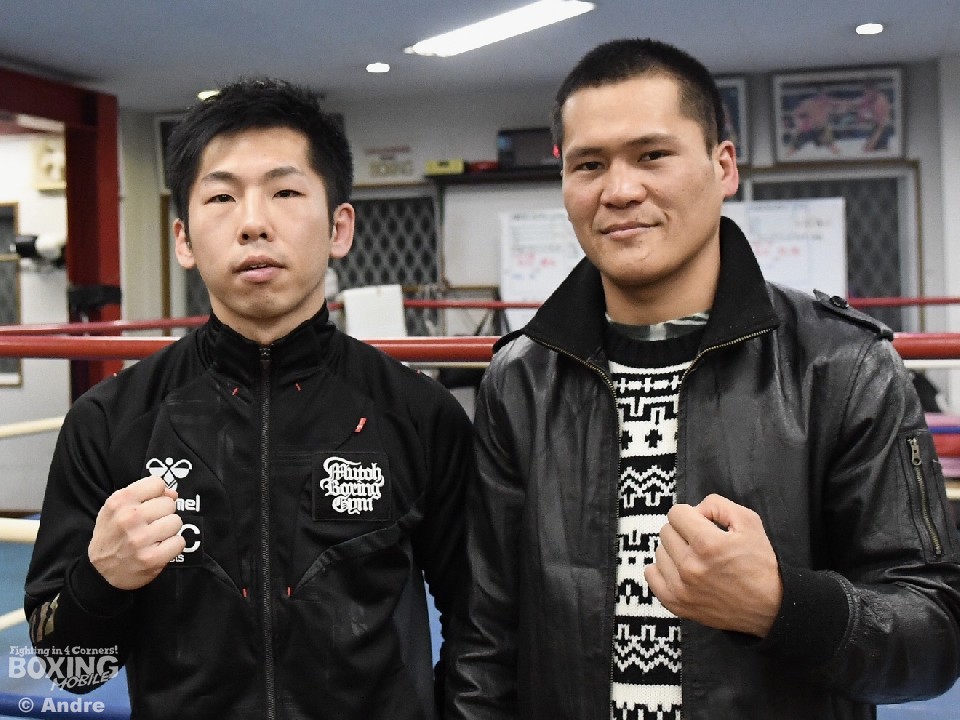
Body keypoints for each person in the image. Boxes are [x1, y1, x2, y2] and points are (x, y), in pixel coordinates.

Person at [447, 38, 960, 720]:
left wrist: (781, 604)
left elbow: (932, 632)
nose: (620, 190)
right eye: (589, 164)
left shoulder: (842, 365)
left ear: (723, 167)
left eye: (652, 155)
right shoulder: (521, 380)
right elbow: (485, 641)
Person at [25, 78, 474, 720]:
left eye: (285, 192)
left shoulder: (418, 414)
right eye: (222, 197)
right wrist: (103, 579)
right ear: (184, 239)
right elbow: (73, 670)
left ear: (339, 227)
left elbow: (481, 625)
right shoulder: (111, 421)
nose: (254, 223)